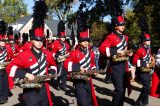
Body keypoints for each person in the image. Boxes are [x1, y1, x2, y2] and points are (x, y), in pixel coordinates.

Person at [8, 1, 57, 106]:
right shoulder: (24, 55)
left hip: (44, 88)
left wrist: (51, 74)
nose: (39, 42)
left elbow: (53, 65)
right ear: (32, 40)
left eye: (41, 40)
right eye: (36, 40)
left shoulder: (47, 54)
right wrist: (25, 74)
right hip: (30, 91)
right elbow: (10, 68)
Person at [99, 15, 132, 106]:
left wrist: (128, 53)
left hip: (124, 64)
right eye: (121, 24)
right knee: (119, 89)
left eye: (123, 25)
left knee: (123, 88)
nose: (123, 26)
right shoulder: (111, 37)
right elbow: (102, 49)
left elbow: (125, 49)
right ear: (115, 26)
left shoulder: (126, 37)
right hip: (115, 66)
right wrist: (116, 51)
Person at [64, 24, 98, 106]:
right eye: (84, 41)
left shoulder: (91, 53)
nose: (86, 43)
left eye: (87, 41)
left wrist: (94, 70)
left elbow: (92, 63)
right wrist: (79, 67)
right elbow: (66, 64)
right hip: (79, 81)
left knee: (89, 101)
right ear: (79, 42)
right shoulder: (74, 53)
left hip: (88, 80)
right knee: (83, 103)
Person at [132, 17, 153, 106]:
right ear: (144, 41)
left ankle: (144, 102)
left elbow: (148, 57)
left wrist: (151, 60)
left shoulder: (148, 48)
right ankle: (139, 101)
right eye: (148, 40)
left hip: (147, 70)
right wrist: (146, 64)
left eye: (149, 40)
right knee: (147, 87)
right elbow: (134, 61)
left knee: (147, 87)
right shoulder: (140, 49)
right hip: (141, 70)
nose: (149, 41)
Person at [50, 20, 70, 91]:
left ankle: (64, 86)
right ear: (59, 36)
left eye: (64, 37)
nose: (63, 38)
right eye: (62, 37)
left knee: (65, 74)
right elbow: (52, 53)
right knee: (60, 73)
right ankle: (57, 84)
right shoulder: (55, 43)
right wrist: (57, 56)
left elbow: (68, 51)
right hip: (59, 61)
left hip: (66, 61)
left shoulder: (67, 45)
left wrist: (68, 54)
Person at [0, 20, 13, 104]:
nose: (2, 43)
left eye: (4, 41)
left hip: (5, 68)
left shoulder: (8, 48)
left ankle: (4, 97)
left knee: (5, 83)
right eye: (1, 41)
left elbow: (11, 57)